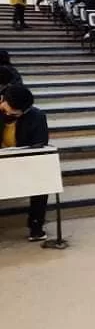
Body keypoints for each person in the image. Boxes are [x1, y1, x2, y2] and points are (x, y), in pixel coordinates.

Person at [0, 86, 49, 240]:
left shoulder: (36, 117)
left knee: (43, 178)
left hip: (21, 161)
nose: (8, 115)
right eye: (5, 110)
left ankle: (36, 226)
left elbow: (40, 145)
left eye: (14, 114)